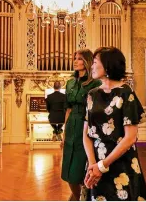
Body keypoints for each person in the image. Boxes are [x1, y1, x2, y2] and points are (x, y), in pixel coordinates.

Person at [83, 47, 146, 201]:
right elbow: (86, 134)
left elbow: (130, 138)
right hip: (95, 161)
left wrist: (102, 166)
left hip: (120, 162)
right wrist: (93, 165)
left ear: (107, 65)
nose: (91, 66)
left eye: (94, 62)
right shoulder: (92, 94)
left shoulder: (125, 93)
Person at [61, 49, 101, 200]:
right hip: (72, 124)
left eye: (79, 59)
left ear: (87, 62)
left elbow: (96, 109)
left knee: (79, 169)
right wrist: (64, 134)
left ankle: (81, 197)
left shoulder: (95, 83)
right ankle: (78, 197)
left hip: (86, 125)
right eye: (74, 58)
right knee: (68, 171)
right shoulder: (70, 82)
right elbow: (68, 108)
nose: (75, 61)